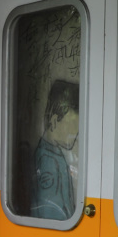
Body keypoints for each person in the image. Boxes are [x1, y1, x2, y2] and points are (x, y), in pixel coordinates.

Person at [31, 79, 79, 220]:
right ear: (53, 121)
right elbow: (51, 212)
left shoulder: (55, 154)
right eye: (71, 125)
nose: (75, 134)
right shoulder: (48, 161)